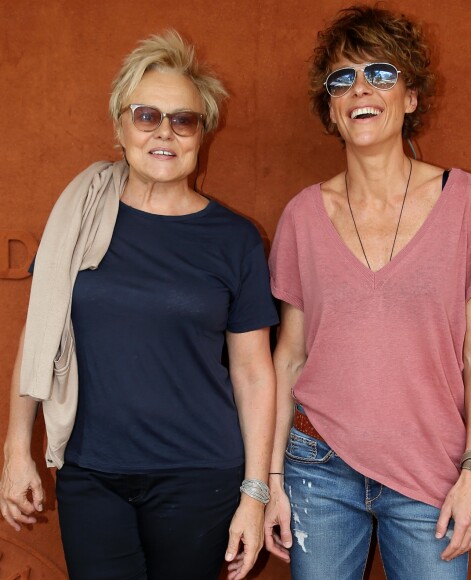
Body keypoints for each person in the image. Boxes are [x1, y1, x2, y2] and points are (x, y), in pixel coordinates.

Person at [0, 30, 278, 580]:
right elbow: (38, 339)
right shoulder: (75, 221)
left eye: (184, 119)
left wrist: (255, 492)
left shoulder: (234, 239)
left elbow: (253, 372)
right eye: (147, 115)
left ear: (202, 134)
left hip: (201, 476)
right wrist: (15, 451)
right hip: (91, 472)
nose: (165, 133)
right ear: (120, 126)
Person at [264, 5, 471, 579]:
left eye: (380, 73)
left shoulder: (465, 200)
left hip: (432, 470)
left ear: (410, 96)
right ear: (330, 108)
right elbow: (289, 357)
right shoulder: (304, 215)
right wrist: (271, 484)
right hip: (318, 468)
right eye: (342, 79)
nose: (360, 89)